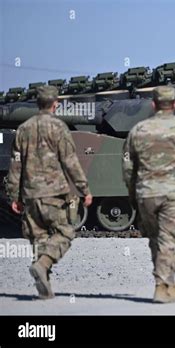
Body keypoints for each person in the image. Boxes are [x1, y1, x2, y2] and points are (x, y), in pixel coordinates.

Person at [122, 86, 175, 303]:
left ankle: (167, 282)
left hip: (146, 194)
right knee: (170, 238)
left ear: (153, 104)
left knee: (157, 238)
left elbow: (128, 168)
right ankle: (163, 285)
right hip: (174, 193)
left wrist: (134, 194)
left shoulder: (138, 130)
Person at [6, 85, 93, 299]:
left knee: (39, 238)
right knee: (65, 232)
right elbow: (70, 162)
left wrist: (14, 195)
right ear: (56, 104)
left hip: (30, 193)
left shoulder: (23, 129)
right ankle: (43, 264)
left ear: (37, 104)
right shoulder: (59, 127)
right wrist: (84, 189)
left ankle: (43, 280)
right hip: (53, 192)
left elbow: (15, 165)